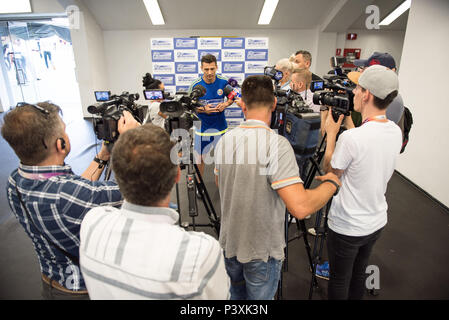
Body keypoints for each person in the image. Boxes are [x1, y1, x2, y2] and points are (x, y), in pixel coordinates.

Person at [214, 75, 341, 300]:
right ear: (274, 104)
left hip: (229, 245)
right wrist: (331, 183)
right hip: (261, 253)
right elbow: (300, 208)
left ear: (242, 104)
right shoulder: (276, 145)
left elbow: (220, 182)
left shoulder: (225, 140)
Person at [1, 102, 140, 299]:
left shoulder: (15, 180)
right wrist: (132, 142)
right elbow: (138, 190)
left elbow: (74, 190)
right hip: (84, 291)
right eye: (64, 131)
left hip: (51, 282)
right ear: (61, 144)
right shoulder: (68, 195)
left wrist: (102, 157)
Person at [79, 124, 230, 299]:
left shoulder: (93, 223)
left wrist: (129, 145)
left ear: (118, 175)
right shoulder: (200, 253)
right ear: (177, 176)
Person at [322, 65, 402, 300]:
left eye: (357, 88)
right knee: (358, 276)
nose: (353, 92)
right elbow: (366, 147)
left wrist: (331, 135)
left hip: (347, 225)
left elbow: (331, 171)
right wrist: (347, 125)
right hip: (375, 221)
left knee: (338, 279)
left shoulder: (351, 139)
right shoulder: (394, 131)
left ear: (366, 94)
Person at [188, 54, 233, 189]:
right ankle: (200, 187)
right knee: (200, 159)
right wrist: (202, 109)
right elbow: (190, 105)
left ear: (216, 67)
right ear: (201, 68)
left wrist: (225, 104)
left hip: (221, 127)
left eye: (212, 69)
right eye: (206, 69)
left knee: (221, 159)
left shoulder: (224, 81)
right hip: (202, 128)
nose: (209, 73)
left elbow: (232, 97)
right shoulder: (195, 85)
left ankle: (220, 185)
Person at [352, 52, 405, 125]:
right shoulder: (390, 96)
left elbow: (370, 133)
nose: (361, 71)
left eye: (367, 70)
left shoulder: (392, 101)